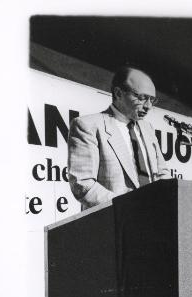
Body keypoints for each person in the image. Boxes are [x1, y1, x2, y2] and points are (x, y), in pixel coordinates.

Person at [68, 67, 170, 210]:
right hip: (114, 220)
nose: (148, 106)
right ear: (118, 93)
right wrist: (130, 206)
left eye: (152, 99)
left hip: (152, 218)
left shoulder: (148, 129)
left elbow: (161, 174)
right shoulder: (87, 125)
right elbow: (83, 184)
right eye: (142, 98)